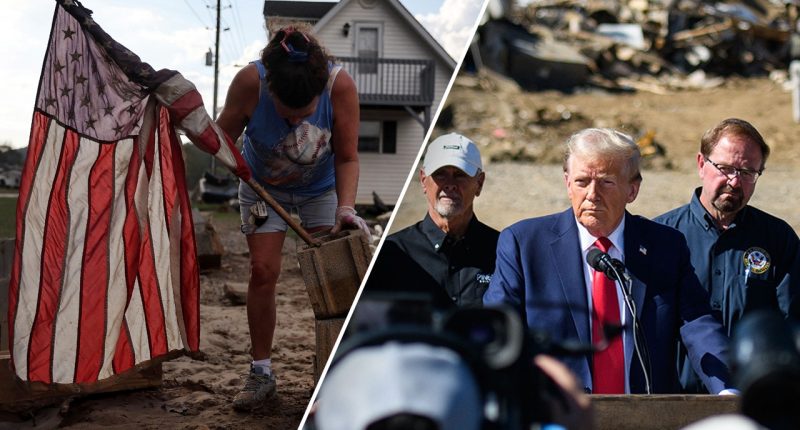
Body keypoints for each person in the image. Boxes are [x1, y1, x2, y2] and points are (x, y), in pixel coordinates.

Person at [484, 128, 734, 394]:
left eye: (606, 182)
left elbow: (697, 323)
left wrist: (727, 389)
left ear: (632, 190)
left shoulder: (665, 247)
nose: (592, 194)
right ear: (568, 184)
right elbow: (498, 330)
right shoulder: (524, 245)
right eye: (582, 182)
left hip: (646, 410)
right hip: (556, 409)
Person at [216, 25, 370, 411]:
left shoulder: (339, 87)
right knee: (263, 271)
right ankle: (261, 373)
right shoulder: (249, 83)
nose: (297, 121)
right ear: (270, 90)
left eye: (306, 113)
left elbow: (347, 156)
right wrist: (221, 152)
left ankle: (338, 371)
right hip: (262, 187)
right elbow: (220, 139)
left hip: (321, 190)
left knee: (336, 277)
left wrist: (345, 208)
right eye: (289, 113)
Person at [654, 118, 800, 393]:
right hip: (675, 399)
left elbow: (792, 322)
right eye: (726, 168)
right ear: (701, 164)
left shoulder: (778, 239)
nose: (735, 181)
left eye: (747, 172)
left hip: (753, 398)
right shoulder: (660, 236)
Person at [362, 133, 499, 310]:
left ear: (479, 183)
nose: (450, 184)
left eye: (460, 174)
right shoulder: (392, 253)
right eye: (440, 174)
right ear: (423, 180)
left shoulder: (503, 252)